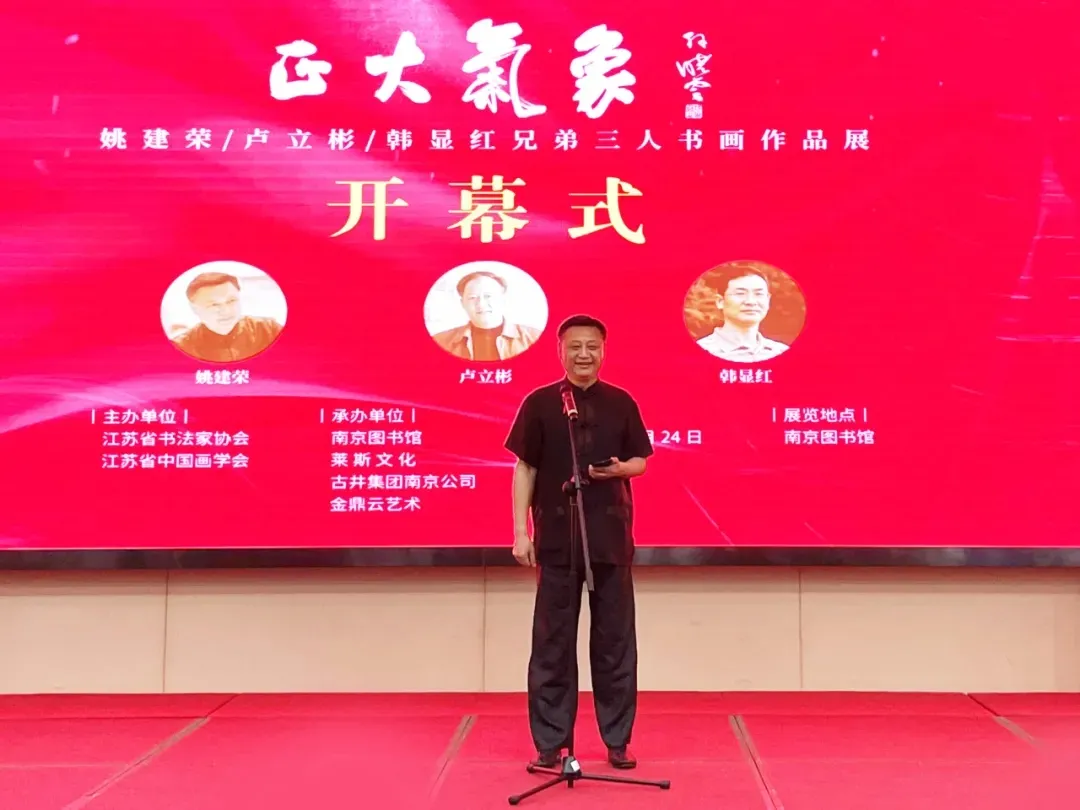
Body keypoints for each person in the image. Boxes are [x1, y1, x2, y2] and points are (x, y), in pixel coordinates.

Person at [504, 314, 654, 770]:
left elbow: (641, 462)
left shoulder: (621, 402)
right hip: (555, 541)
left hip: (609, 540)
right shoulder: (540, 403)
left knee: (615, 645)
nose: (583, 354)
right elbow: (525, 468)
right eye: (575, 346)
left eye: (592, 346)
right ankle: (550, 743)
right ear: (561, 351)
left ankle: (617, 741)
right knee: (551, 646)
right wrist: (520, 532)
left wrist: (619, 470)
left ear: (603, 351)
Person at [171, 272, 283, 363]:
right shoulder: (180, 347)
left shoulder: (269, 330)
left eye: (231, 301)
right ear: (194, 309)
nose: (226, 311)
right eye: (214, 305)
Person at [431, 270, 542, 361]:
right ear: (463, 303)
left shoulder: (534, 338)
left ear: (503, 299)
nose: (481, 304)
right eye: (472, 298)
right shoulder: (440, 341)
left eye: (488, 296)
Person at [696, 266, 789, 362]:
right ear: (720, 301)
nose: (751, 301)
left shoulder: (781, 352)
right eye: (740, 293)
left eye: (758, 294)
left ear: (768, 300)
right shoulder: (700, 352)